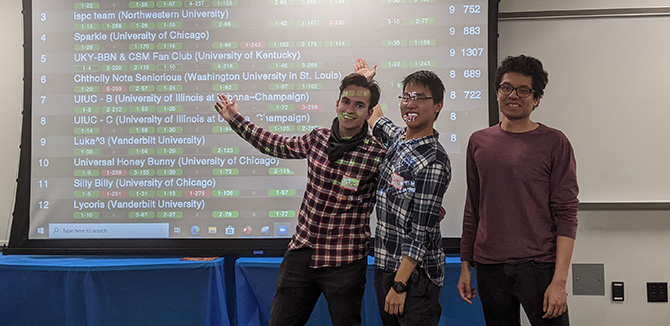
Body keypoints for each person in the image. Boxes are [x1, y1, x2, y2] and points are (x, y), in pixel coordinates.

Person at [214, 72, 386, 326]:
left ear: (369, 113)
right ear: (337, 103)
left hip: (345, 260)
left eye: (359, 105)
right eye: (346, 101)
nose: (350, 109)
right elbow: (275, 144)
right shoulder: (317, 138)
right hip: (303, 253)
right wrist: (235, 119)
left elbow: (397, 190)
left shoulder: (376, 154)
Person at [457, 54, 579, 326]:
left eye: (524, 90)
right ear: (498, 92)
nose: (514, 95)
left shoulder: (554, 142)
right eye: (506, 87)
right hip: (490, 267)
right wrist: (466, 265)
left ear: (536, 98)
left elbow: (566, 213)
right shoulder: (478, 142)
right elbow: (473, 207)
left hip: (539, 266)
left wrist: (559, 281)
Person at [356, 58, 451, 325]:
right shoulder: (399, 138)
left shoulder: (433, 160)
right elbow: (375, 116)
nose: (410, 103)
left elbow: (419, 232)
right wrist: (367, 82)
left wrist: (399, 286)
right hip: (386, 262)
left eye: (420, 97)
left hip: (413, 276)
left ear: (437, 106)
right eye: (406, 96)